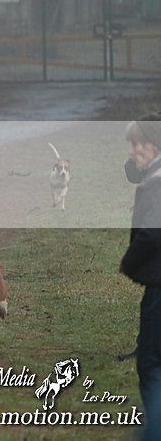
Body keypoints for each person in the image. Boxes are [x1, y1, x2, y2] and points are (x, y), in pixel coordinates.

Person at [120, 120, 161, 441]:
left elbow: (150, 234)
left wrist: (129, 264)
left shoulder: (155, 183)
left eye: (139, 144)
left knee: (151, 366)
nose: (134, 151)